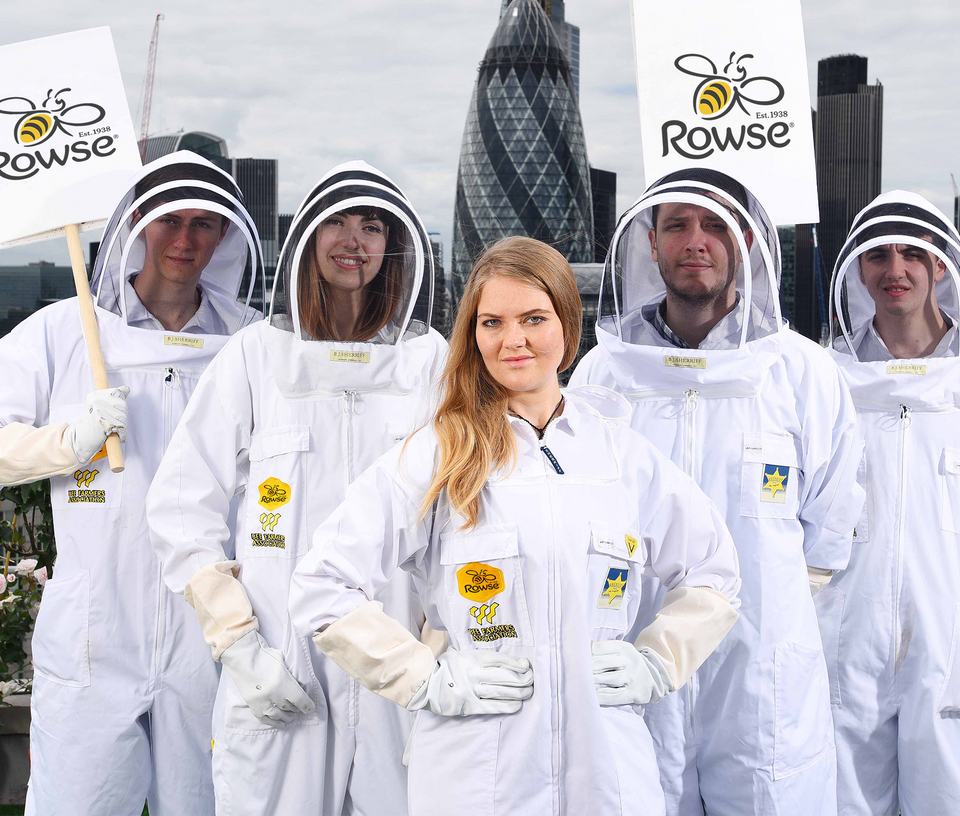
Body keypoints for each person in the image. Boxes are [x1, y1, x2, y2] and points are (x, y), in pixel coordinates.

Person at [287, 235, 742, 816]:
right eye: (492, 322)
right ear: (473, 337)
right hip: (477, 777)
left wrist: (657, 659)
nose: (513, 340)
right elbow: (323, 583)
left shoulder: (621, 456)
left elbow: (716, 571)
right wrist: (423, 679)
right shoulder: (437, 455)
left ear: (567, 328)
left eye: (534, 318)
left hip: (610, 777)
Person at [146, 161, 448, 815]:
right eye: (337, 222)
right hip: (284, 664)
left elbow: (468, 508)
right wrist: (238, 641)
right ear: (308, 237)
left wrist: (439, 645)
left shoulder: (430, 363)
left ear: (392, 248)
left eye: (372, 226)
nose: (353, 240)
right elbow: (179, 502)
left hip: (395, 668)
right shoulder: (255, 355)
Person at [571, 168, 864, 816]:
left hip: (765, 687)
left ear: (748, 242)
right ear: (649, 243)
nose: (695, 241)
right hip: (637, 671)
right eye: (677, 224)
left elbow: (827, 533)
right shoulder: (602, 376)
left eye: (714, 225)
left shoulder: (802, 373)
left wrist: (771, 609)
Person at [0, 150, 264, 816]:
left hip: (213, 628)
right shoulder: (65, 333)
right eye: (171, 219)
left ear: (227, 235)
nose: (186, 239)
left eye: (205, 224)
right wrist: (66, 442)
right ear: (139, 221)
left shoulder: (254, 348)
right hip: (96, 630)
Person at [820, 190, 960, 815]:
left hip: (949, 632)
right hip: (846, 632)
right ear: (857, 268)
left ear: (938, 265)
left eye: (912, 253)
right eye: (878, 255)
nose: (895, 270)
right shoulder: (824, 378)